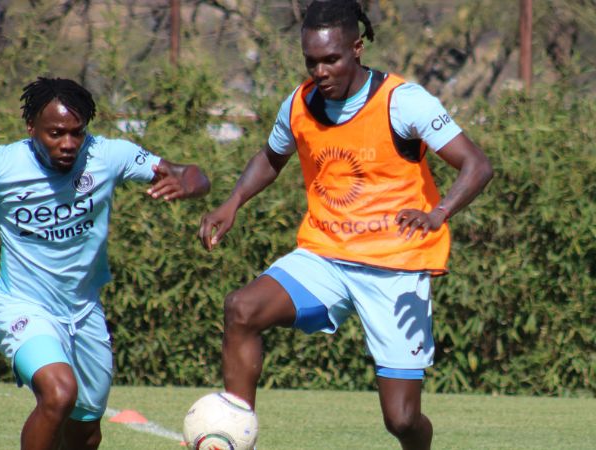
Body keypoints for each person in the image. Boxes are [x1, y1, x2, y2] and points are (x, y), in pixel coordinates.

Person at [198, 1, 493, 449]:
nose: (320, 71)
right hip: (326, 256)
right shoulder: (298, 104)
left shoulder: (402, 101)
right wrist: (232, 202)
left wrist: (439, 213)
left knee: (402, 419)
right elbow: (271, 157)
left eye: (331, 59)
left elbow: (476, 165)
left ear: (356, 48)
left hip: (397, 265)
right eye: (311, 61)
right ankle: (236, 438)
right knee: (242, 309)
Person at [0, 77, 210, 450]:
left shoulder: (108, 155)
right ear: (31, 127)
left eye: (76, 133)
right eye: (55, 134)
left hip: (85, 313)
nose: (67, 144)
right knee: (58, 393)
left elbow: (189, 172)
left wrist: (193, 184)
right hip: (22, 307)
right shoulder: (0, 166)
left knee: (84, 432)